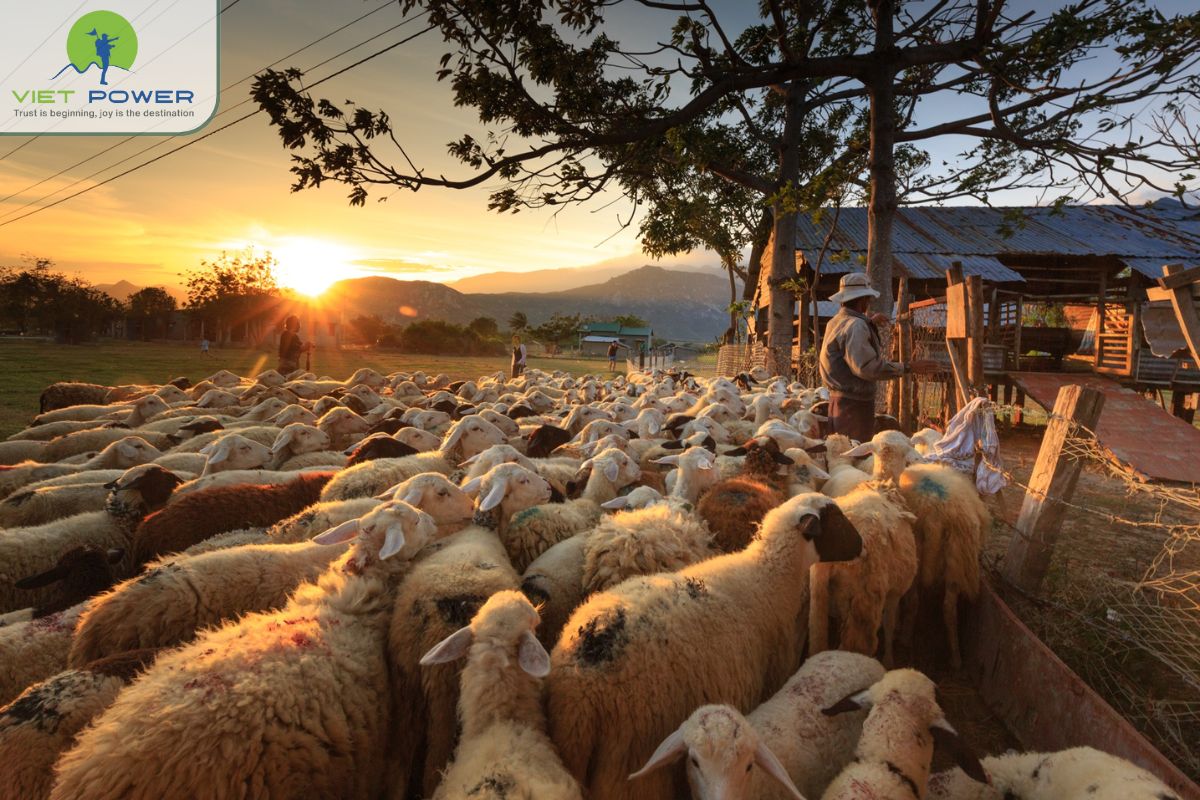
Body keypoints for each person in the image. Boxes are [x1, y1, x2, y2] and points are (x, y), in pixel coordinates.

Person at [818, 272, 938, 442]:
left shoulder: (836, 321)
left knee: (840, 457)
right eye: (868, 299)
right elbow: (866, 368)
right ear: (863, 300)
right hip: (854, 408)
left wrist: (869, 322)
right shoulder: (856, 325)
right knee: (855, 458)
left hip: (838, 402)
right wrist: (908, 367)